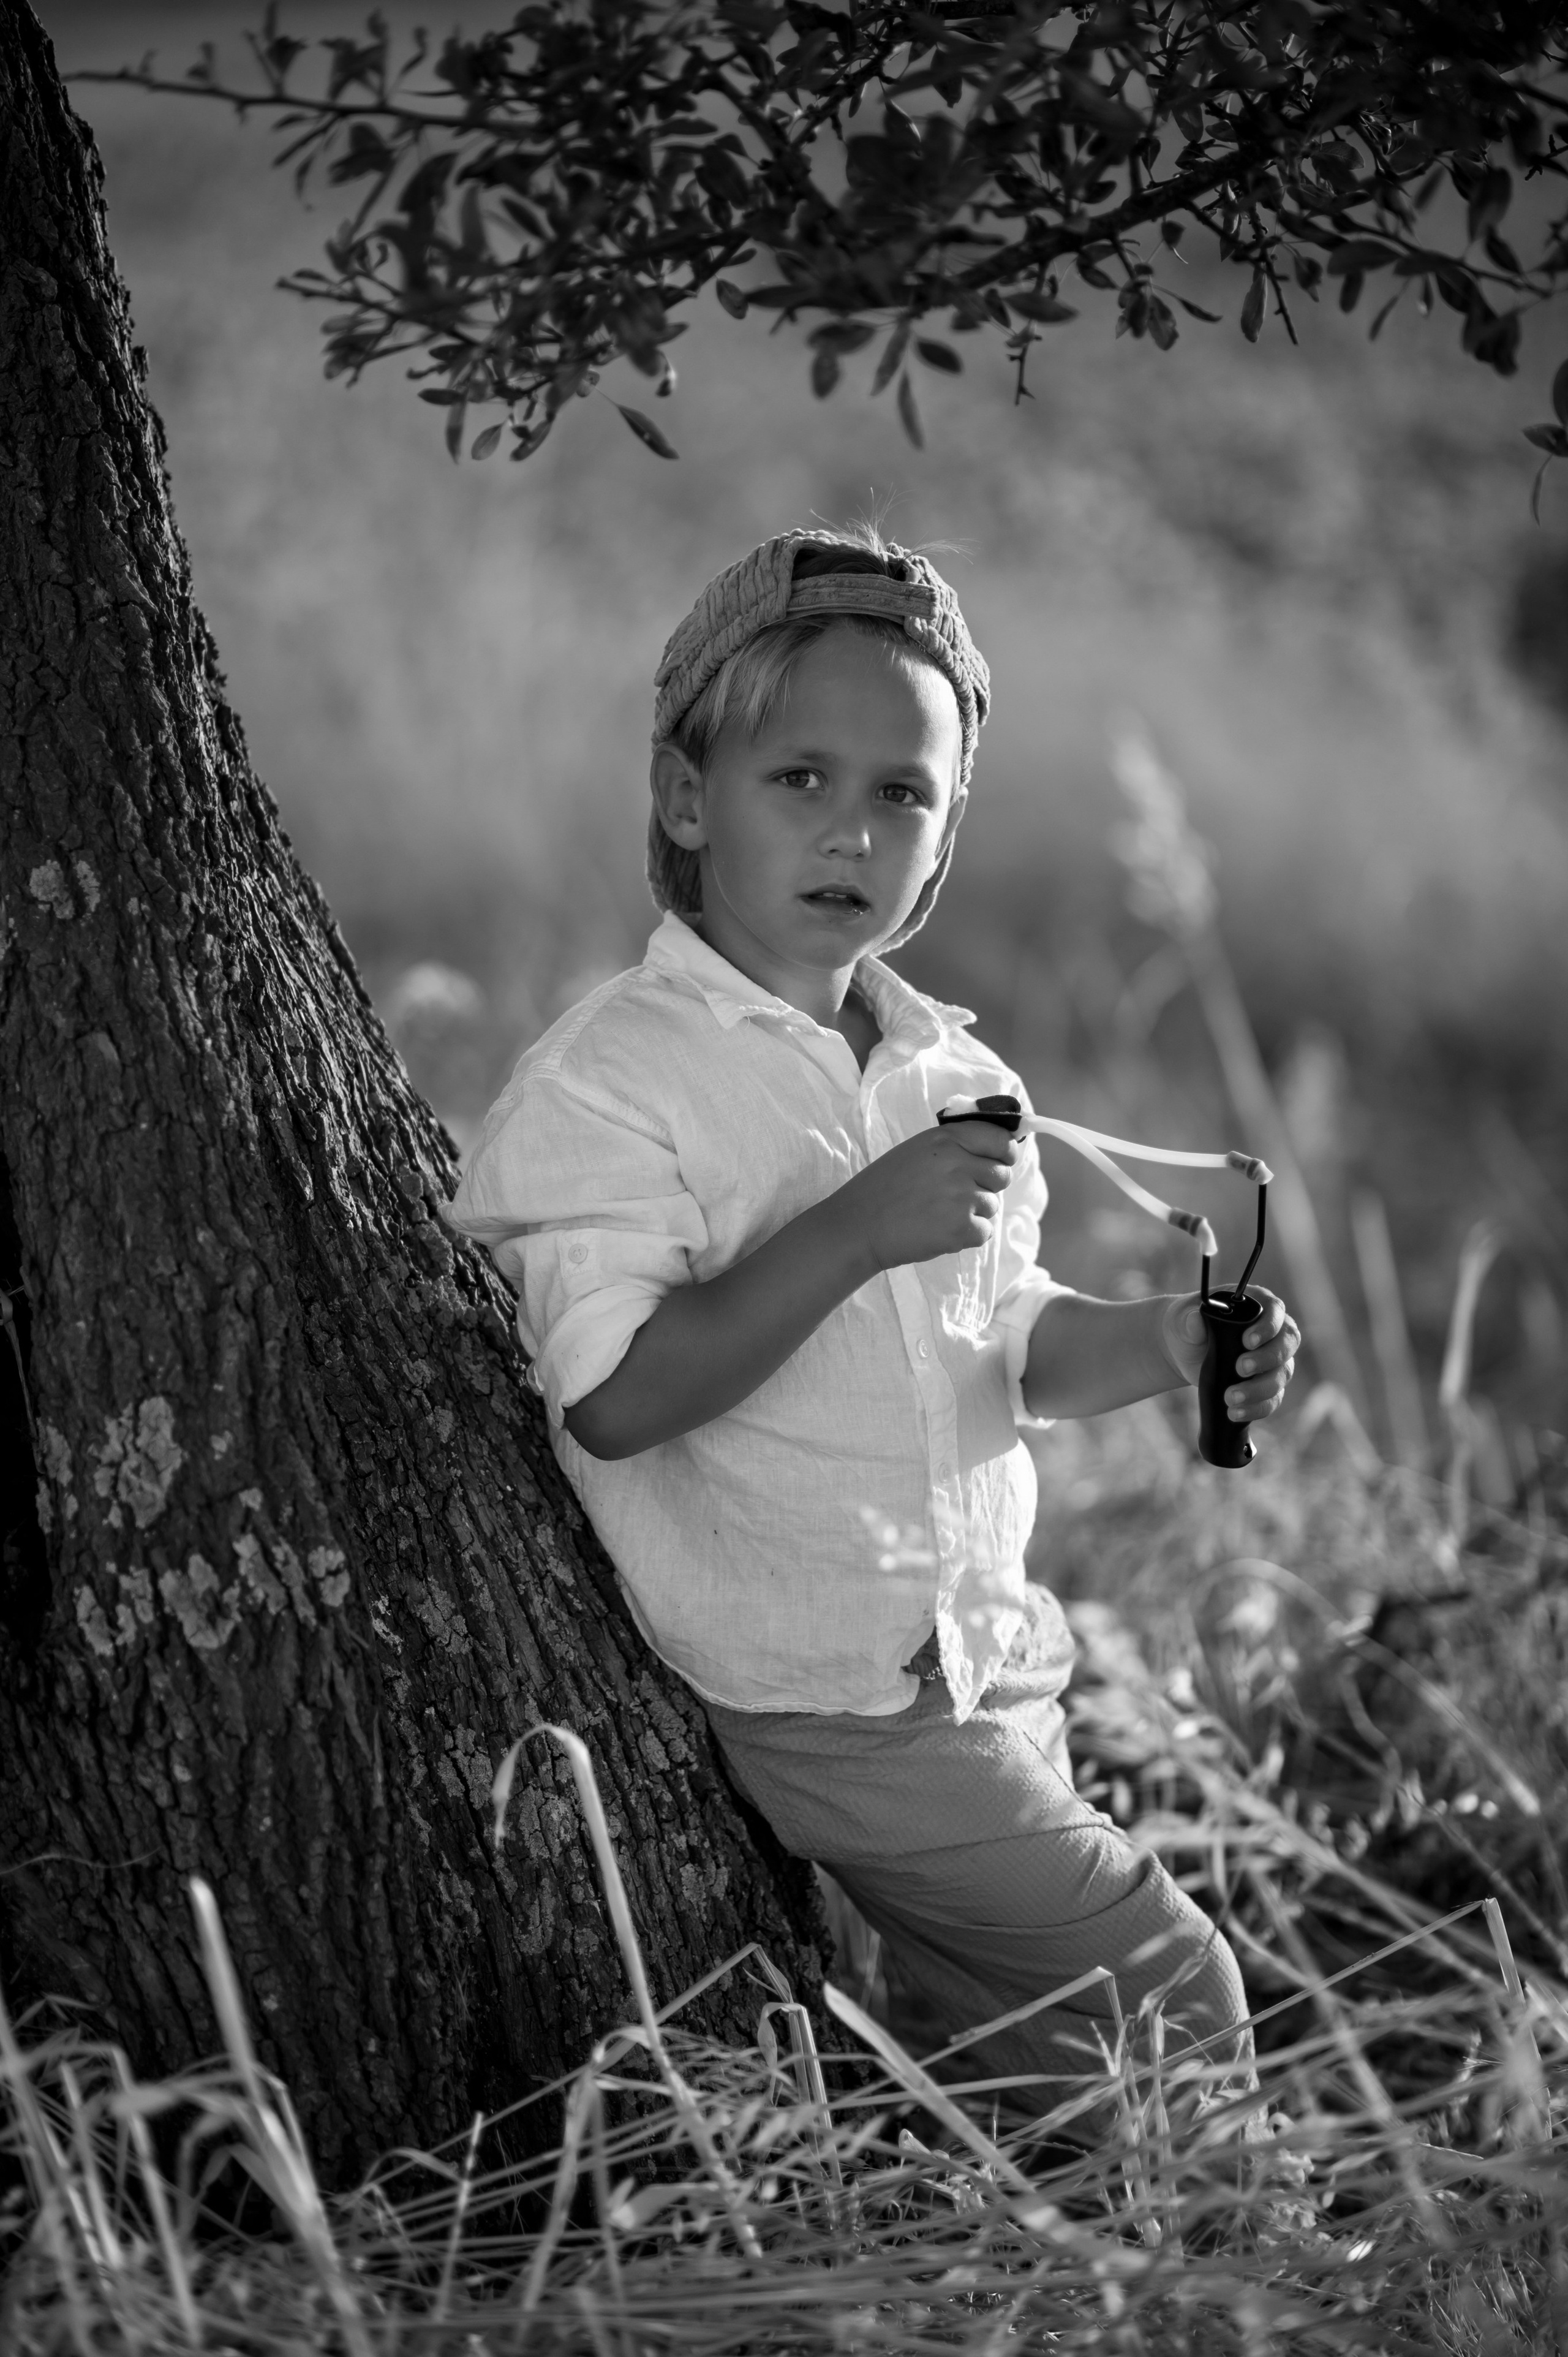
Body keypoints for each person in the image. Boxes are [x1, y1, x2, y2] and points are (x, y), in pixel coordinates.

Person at [448, 525, 1300, 2139]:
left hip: (978, 1655)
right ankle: (1236, 2278)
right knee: (1164, 1989)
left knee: (1012, 2052)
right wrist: (852, 1229)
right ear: (692, 798)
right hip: (822, 1691)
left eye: (903, 794)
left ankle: (1043, 2267)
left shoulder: (955, 1079)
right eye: (800, 779)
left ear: (946, 837)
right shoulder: (618, 1079)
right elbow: (618, 1399)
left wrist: (1167, 1346)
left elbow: (1001, 1342)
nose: (852, 826)